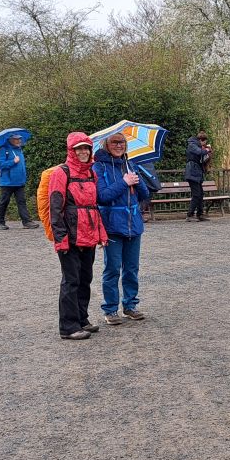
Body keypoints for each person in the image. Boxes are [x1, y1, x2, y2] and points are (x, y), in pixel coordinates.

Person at [48, 132, 109, 339]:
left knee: (85, 279)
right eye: (79, 148)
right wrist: (61, 239)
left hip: (88, 235)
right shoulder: (61, 173)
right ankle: (68, 326)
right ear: (71, 151)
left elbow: (94, 206)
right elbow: (55, 208)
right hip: (71, 237)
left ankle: (82, 319)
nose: (83, 152)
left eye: (86, 148)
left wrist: (100, 234)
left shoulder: (91, 172)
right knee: (71, 281)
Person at [94, 132, 151, 326]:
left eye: (122, 142)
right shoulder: (99, 167)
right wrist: (124, 182)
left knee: (132, 269)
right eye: (115, 142)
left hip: (133, 224)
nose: (119, 145)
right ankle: (110, 309)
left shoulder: (130, 165)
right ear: (106, 145)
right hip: (112, 226)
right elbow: (102, 196)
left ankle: (130, 305)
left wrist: (137, 179)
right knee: (112, 269)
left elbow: (144, 194)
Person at [0, 132, 39, 230]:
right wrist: (13, 161)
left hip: (19, 181)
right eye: (16, 139)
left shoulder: (19, 149)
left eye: (19, 138)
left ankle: (27, 222)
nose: (19, 140)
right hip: (7, 182)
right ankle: (0, 223)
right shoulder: (3, 149)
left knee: (22, 202)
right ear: (10, 139)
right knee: (4, 202)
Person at [184, 131, 212, 222]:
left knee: (200, 194)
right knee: (196, 194)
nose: (204, 144)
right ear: (201, 140)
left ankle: (200, 214)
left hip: (197, 173)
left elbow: (202, 159)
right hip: (192, 172)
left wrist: (207, 155)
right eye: (204, 142)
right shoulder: (192, 145)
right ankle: (190, 215)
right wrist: (207, 150)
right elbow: (199, 152)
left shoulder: (197, 145)